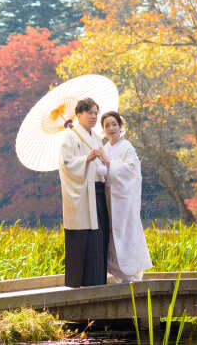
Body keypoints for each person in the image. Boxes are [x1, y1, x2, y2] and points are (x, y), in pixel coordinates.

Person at [59, 98, 110, 287]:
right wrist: (86, 159)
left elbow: (102, 161)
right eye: (90, 112)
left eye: (96, 112)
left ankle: (96, 281)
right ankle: (78, 283)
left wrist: (102, 163)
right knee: (82, 236)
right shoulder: (69, 136)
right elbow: (67, 163)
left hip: (97, 191)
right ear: (78, 115)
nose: (94, 116)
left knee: (99, 236)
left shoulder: (96, 137)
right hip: (81, 193)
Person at [101, 110, 152, 282]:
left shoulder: (127, 147)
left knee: (126, 231)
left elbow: (132, 170)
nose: (111, 128)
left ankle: (132, 272)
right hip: (109, 198)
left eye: (114, 124)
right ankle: (118, 273)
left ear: (120, 126)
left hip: (124, 199)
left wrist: (109, 163)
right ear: (103, 129)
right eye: (107, 125)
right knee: (112, 233)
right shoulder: (104, 148)